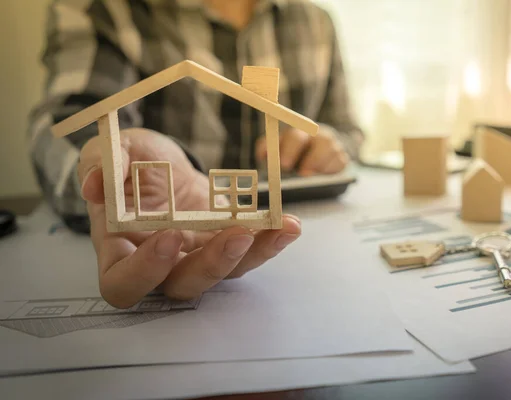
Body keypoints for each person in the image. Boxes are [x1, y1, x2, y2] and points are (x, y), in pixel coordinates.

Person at [28, 0, 363, 308]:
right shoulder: (100, 8)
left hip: (304, 254)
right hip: (161, 229)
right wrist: (105, 176)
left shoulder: (315, 20)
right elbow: (70, 125)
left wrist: (331, 145)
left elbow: (347, 132)